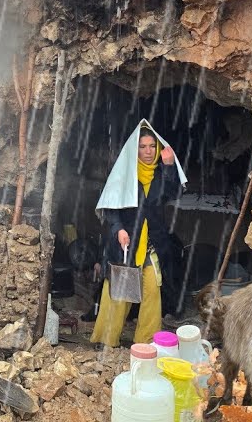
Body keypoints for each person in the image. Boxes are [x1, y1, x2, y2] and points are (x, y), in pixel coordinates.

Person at [90, 120, 186, 347]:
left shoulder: (160, 175)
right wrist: (118, 229)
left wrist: (170, 166)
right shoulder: (124, 174)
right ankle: (107, 340)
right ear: (135, 149)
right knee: (120, 293)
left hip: (153, 244)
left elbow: (172, 194)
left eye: (152, 146)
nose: (147, 151)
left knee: (152, 291)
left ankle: (146, 342)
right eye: (142, 146)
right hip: (125, 243)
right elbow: (111, 208)